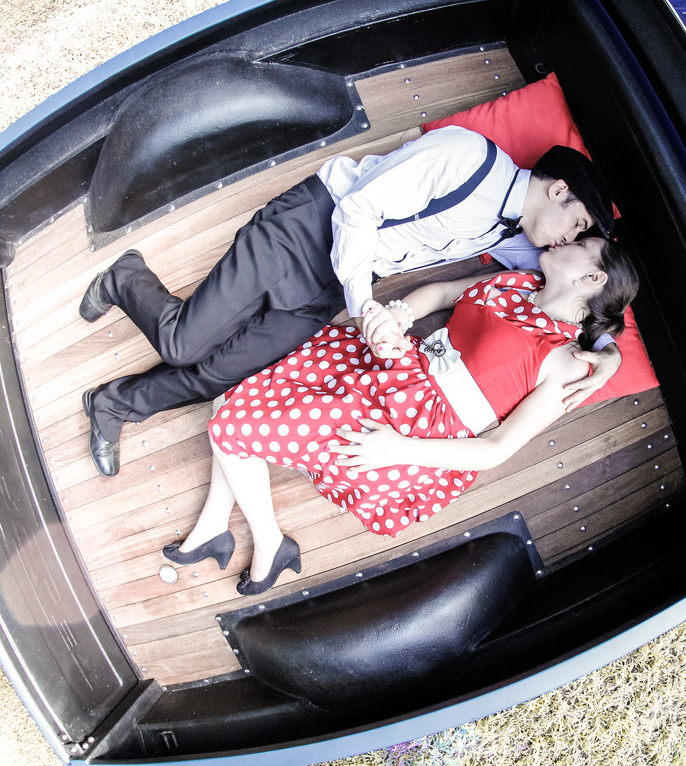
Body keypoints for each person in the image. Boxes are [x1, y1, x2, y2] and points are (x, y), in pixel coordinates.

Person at [79, 126, 624, 477]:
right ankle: (125, 277)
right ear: (558, 191)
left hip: (337, 285)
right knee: (181, 344)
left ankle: (114, 404)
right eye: (576, 225)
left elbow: (585, 296)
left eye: (577, 239)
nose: (566, 241)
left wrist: (608, 354)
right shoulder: (466, 157)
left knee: (220, 372)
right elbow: (358, 210)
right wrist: (365, 309)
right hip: (306, 231)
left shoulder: (520, 239)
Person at [160, 236, 639, 595]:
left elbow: (496, 450)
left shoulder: (569, 363)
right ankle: (232, 530)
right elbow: (443, 293)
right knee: (234, 400)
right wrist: (396, 319)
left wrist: (398, 447)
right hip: (398, 365)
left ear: (593, 279)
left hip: (420, 432)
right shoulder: (519, 282)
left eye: (580, 245)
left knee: (230, 421)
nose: (565, 242)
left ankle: (258, 539)